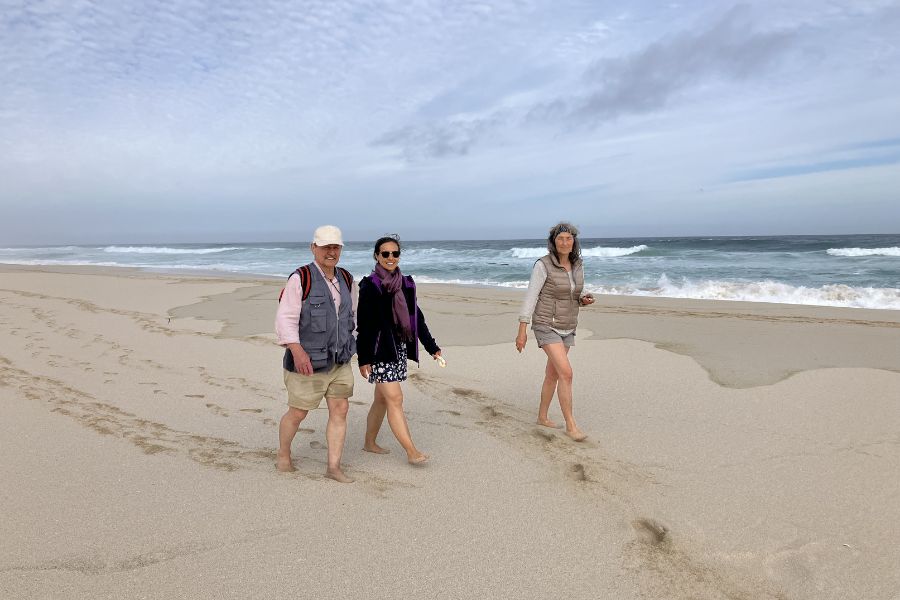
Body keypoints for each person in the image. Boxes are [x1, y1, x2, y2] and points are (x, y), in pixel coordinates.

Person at [274, 225, 357, 482]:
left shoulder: (347, 278)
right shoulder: (301, 278)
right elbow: (285, 318)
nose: (331, 252)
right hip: (308, 361)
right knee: (298, 412)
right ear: (313, 248)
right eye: (325, 247)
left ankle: (333, 467)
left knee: (340, 409)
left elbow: (353, 316)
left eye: (335, 247)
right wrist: (297, 351)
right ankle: (283, 454)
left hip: (340, 361)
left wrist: (357, 347)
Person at [356, 235, 442, 464]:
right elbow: (364, 325)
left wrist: (432, 347)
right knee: (395, 398)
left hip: (398, 349)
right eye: (385, 253)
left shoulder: (406, 284)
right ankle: (412, 451)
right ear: (377, 256)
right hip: (379, 351)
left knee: (382, 399)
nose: (390, 257)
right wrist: (363, 358)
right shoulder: (370, 285)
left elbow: (416, 319)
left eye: (395, 253)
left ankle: (369, 443)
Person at [515, 222, 595, 442]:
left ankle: (542, 417)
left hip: (568, 325)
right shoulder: (543, 265)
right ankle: (571, 425)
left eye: (568, 238)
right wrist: (522, 329)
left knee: (553, 374)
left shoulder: (578, 265)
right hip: (546, 324)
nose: (564, 242)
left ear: (574, 242)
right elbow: (531, 296)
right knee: (566, 373)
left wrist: (583, 299)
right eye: (560, 238)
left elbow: (574, 292)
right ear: (553, 242)